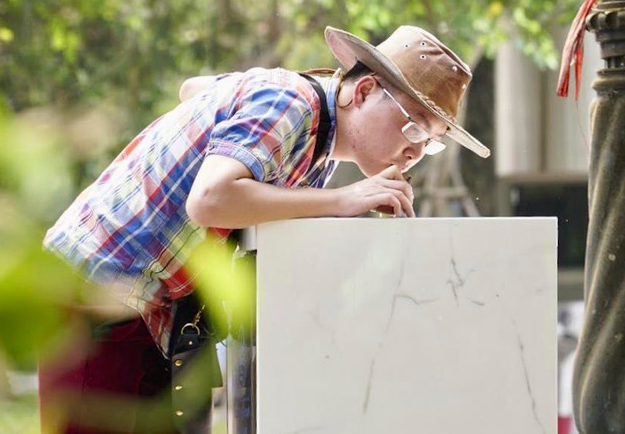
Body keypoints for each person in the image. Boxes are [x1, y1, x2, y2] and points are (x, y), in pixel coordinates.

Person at [38, 25, 490, 434]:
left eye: (429, 141)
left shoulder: (315, 144)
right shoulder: (291, 102)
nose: (413, 149)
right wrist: (344, 201)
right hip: (94, 294)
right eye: (411, 124)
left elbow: (191, 88)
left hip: (147, 313)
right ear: (365, 89)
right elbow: (209, 200)